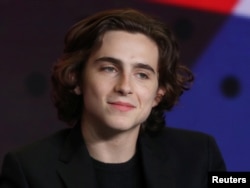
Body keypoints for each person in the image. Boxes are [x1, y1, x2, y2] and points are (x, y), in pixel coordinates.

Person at [0, 8, 226, 188]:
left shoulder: (199, 155)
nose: (125, 87)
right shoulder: (28, 170)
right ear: (76, 79)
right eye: (109, 68)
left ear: (159, 94)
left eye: (142, 74)